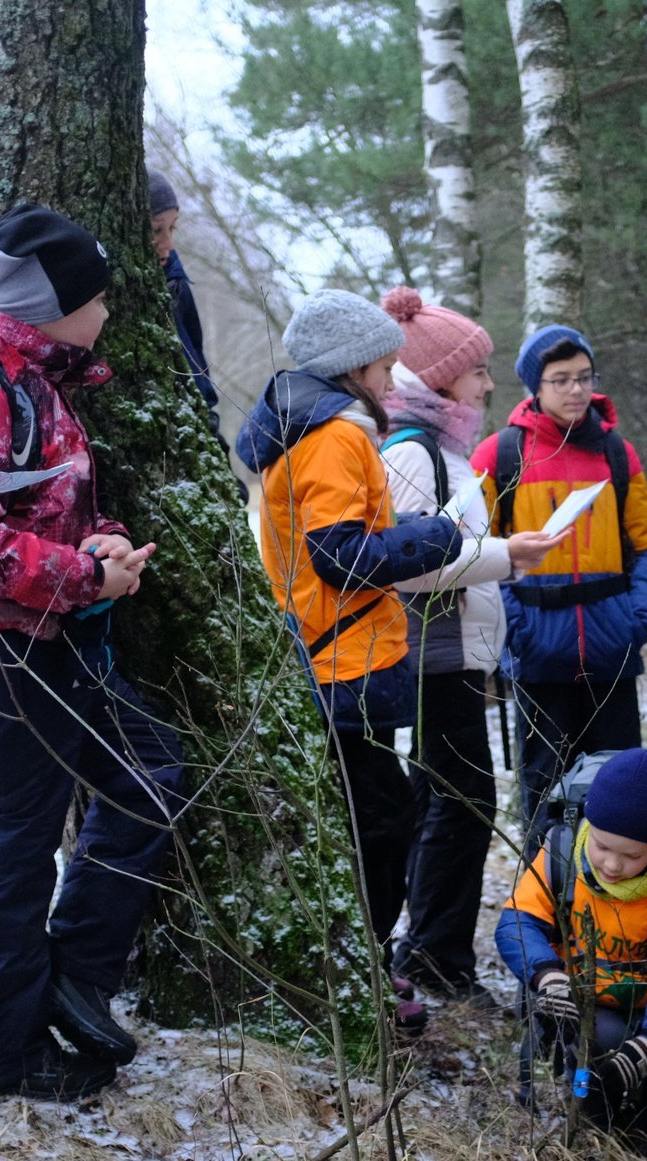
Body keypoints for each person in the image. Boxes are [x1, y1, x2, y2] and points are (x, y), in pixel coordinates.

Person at [0, 204, 185, 1103]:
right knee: (15, 844)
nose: (108, 310)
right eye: (97, 295)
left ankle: (74, 976)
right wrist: (82, 576)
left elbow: (65, 507)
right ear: (54, 303)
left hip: (51, 637)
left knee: (152, 770)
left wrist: (106, 547)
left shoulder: (41, 384)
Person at [238, 289, 463, 1031]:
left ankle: (357, 970)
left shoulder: (305, 425)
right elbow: (338, 557)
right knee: (382, 824)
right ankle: (362, 973)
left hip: (337, 657)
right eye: (384, 364)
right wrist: (434, 536)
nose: (394, 380)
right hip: (343, 665)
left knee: (365, 819)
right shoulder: (335, 434)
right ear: (352, 365)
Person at [377, 286, 564, 1002]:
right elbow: (412, 566)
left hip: (457, 656)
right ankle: (435, 955)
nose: (488, 382)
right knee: (459, 804)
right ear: (440, 377)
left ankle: (433, 950)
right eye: (477, 369)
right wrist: (507, 555)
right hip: (434, 657)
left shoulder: (444, 448)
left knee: (450, 803)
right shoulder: (414, 453)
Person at [471, 325, 647, 852]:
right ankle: (544, 905)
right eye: (561, 380)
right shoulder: (498, 455)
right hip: (539, 654)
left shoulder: (617, 454)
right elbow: (476, 551)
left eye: (584, 377)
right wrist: (517, 626)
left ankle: (617, 909)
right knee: (543, 793)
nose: (576, 390)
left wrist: (639, 617)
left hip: (611, 648)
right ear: (536, 385)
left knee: (621, 789)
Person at [496, 748, 647, 1161]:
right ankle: (588, 1098)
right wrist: (547, 976)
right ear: (586, 822)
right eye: (602, 846)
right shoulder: (561, 851)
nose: (613, 865)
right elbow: (517, 922)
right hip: (577, 1007)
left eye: (633, 855)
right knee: (598, 1070)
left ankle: (636, 1090)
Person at [146, 167, 223, 441]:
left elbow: (198, 366)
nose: (168, 243)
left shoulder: (176, 284)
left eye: (172, 227)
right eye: (156, 229)